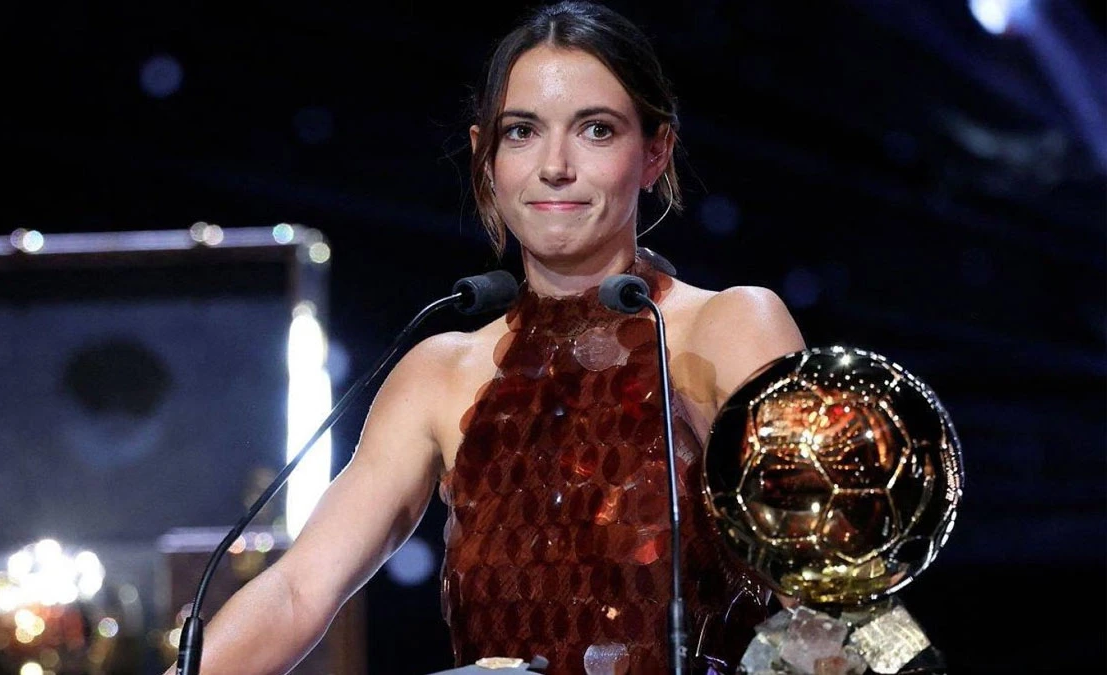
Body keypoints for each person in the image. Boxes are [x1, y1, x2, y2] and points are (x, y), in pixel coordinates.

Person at [164, 2, 805, 674]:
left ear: (654, 152)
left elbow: (835, 591)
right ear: (486, 158)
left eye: (596, 129)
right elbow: (298, 591)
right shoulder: (437, 372)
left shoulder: (729, 325)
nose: (555, 166)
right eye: (523, 132)